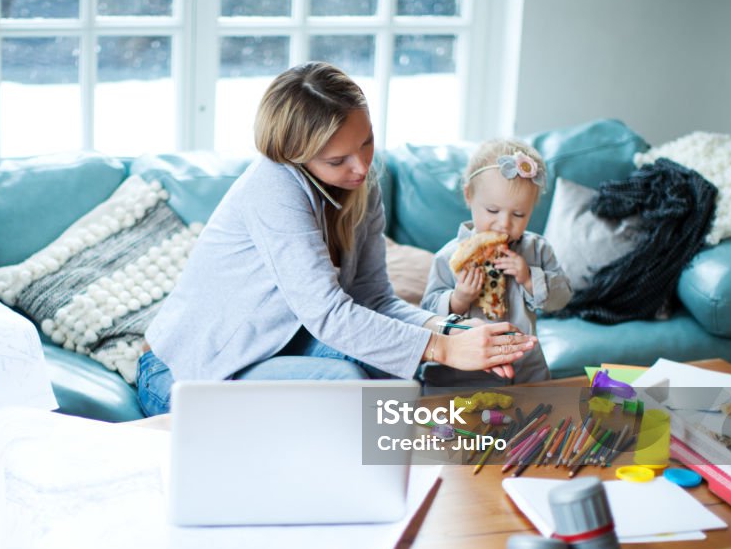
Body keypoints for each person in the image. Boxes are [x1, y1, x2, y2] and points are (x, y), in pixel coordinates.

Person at [137, 62, 536, 416]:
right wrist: (443, 349)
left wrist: (451, 330)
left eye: (366, 141)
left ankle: (424, 482)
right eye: (336, 160)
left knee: (392, 367)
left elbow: (374, 299)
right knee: (345, 381)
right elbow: (328, 315)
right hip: (187, 375)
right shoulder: (272, 187)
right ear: (295, 154)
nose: (361, 167)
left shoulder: (363, 185)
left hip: (278, 350)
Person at [420, 139, 572, 385]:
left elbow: (562, 298)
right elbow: (426, 315)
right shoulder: (448, 257)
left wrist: (528, 278)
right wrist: (458, 299)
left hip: (524, 369)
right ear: (469, 195)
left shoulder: (538, 249)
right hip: (462, 375)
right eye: (492, 210)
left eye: (519, 214)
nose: (504, 224)